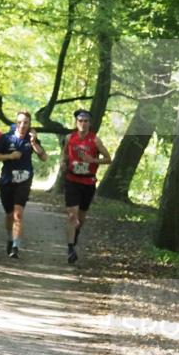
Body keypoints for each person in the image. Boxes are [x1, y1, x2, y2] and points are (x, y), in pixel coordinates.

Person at [0, 111, 49, 259]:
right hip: (7, 180)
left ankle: (16, 246)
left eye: (26, 123)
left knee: (18, 214)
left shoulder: (32, 140)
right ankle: (10, 238)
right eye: (20, 122)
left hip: (24, 179)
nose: (23, 125)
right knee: (9, 214)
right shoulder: (5, 138)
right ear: (16, 123)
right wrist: (9, 156)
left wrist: (35, 143)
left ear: (30, 125)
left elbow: (44, 157)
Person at [62, 109, 111, 264]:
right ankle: (70, 249)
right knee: (72, 216)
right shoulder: (70, 137)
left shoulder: (95, 140)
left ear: (90, 123)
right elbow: (65, 156)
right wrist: (64, 164)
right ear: (76, 123)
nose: (83, 124)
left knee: (80, 219)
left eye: (86, 121)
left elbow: (108, 159)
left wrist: (92, 160)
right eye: (80, 121)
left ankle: (74, 237)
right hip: (72, 180)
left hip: (88, 182)